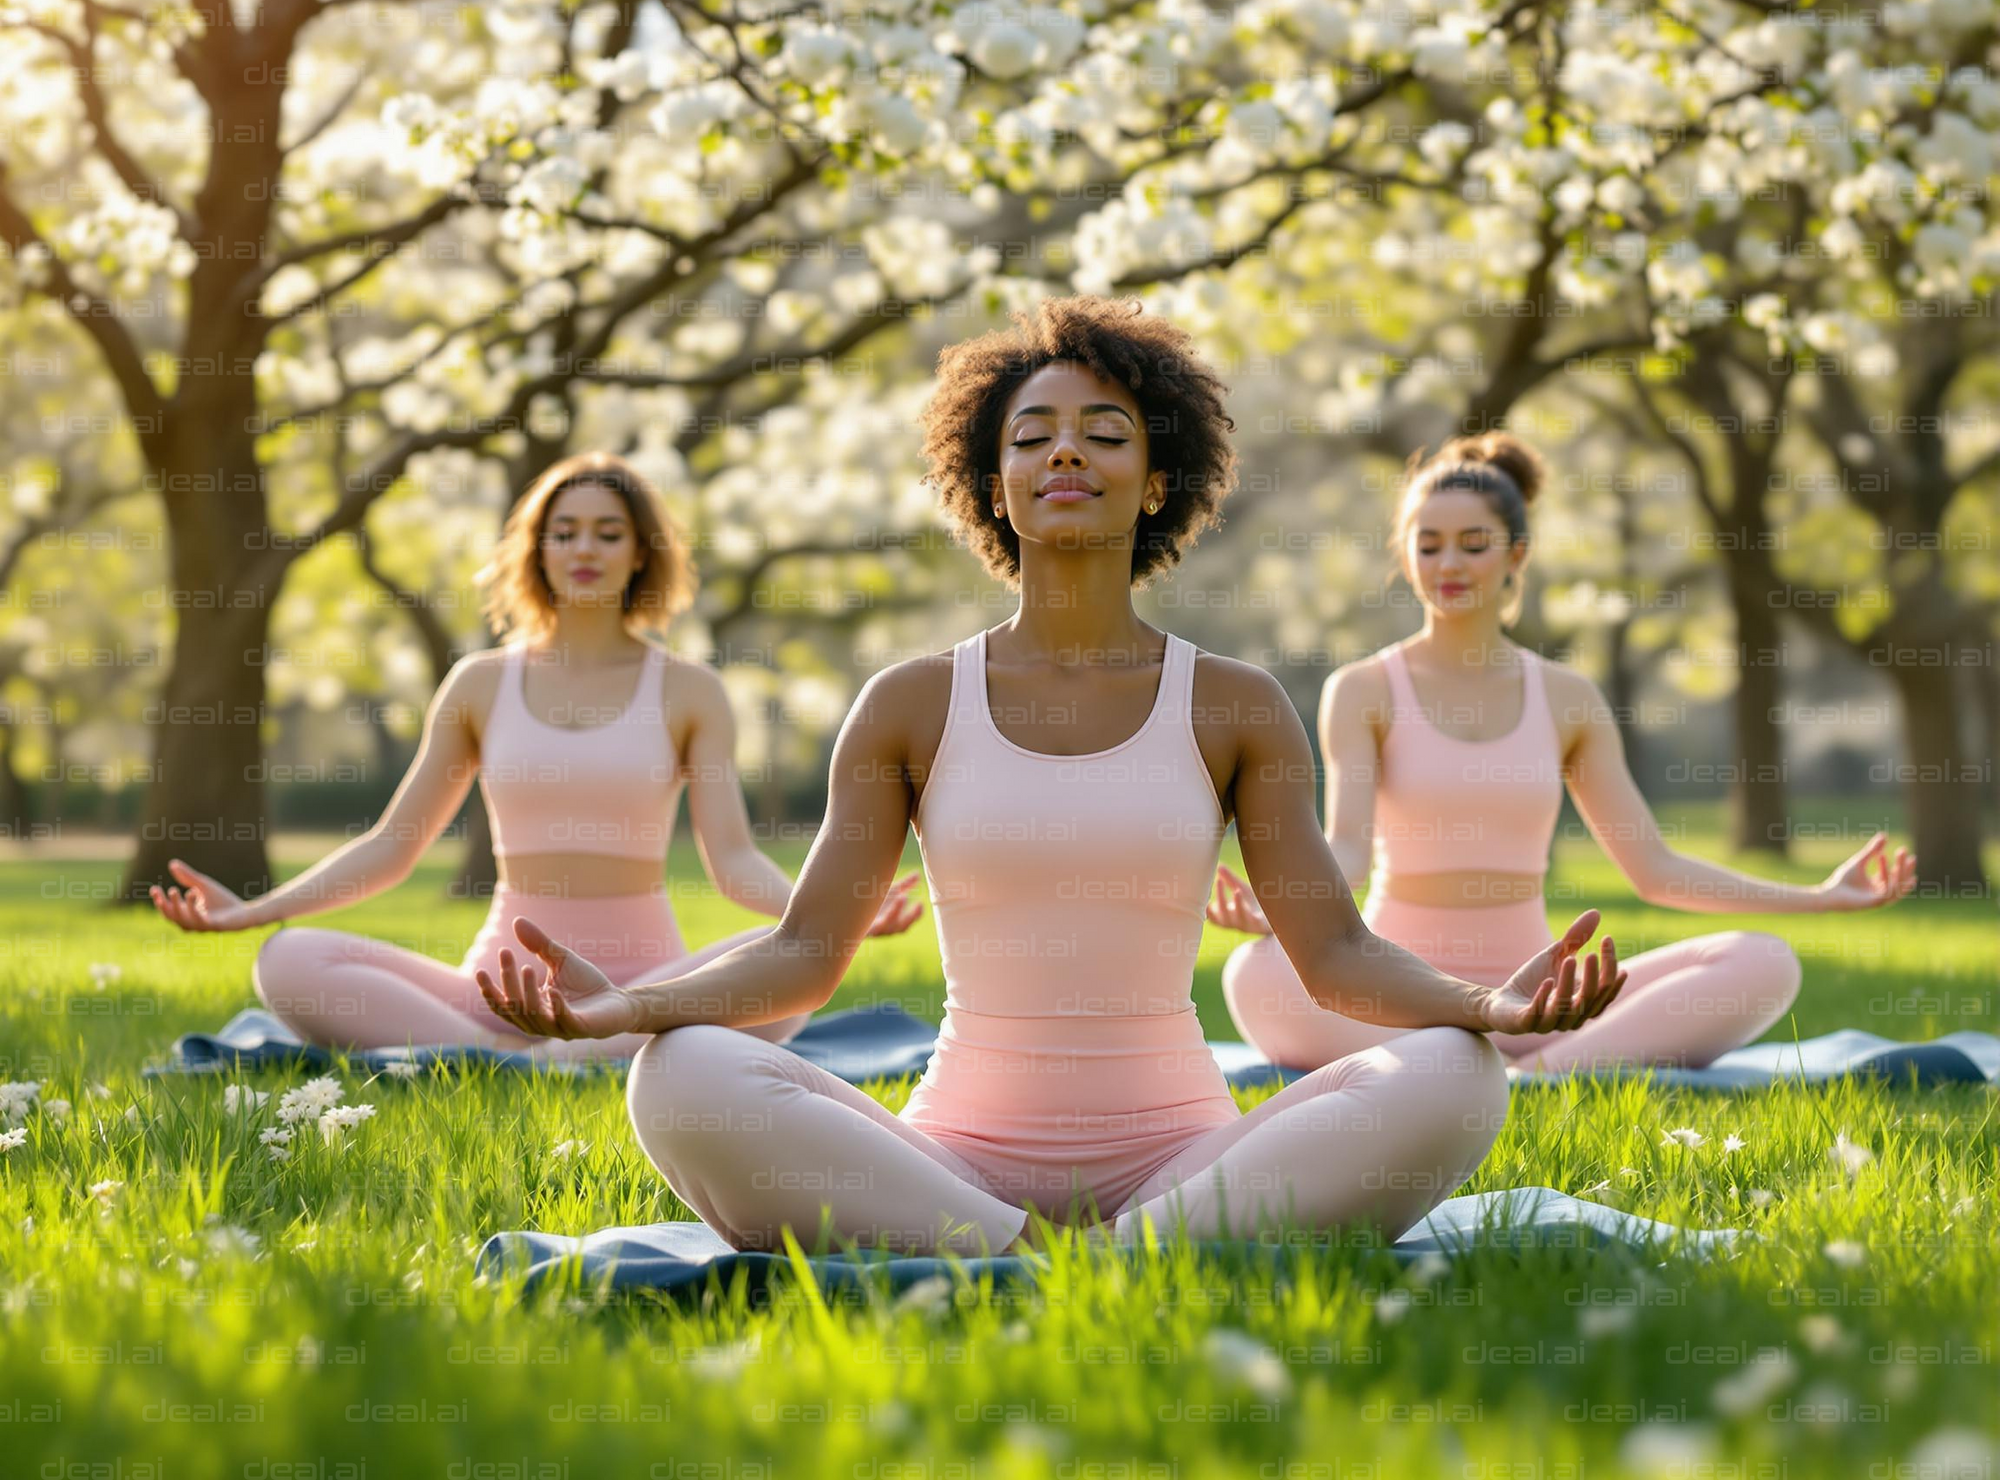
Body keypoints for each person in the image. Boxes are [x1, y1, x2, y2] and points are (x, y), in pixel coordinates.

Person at [475, 297, 1628, 1258]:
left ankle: (1119, 1258)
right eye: (1029, 438)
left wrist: (1487, 1008)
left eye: (1102, 432)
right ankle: (1022, 1255)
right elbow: (801, 955)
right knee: (680, 1077)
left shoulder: (1232, 702)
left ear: (1158, 482)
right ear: (992, 487)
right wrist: (625, 1011)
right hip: (949, 1165)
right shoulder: (910, 703)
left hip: (1186, 1159)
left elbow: (1333, 958)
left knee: (1456, 1075)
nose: (1062, 451)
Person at [149, 452, 924, 1062]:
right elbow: (393, 845)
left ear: (641, 554)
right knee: (287, 961)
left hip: (642, 990)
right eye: (565, 530)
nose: (584, 547)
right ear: (538, 550)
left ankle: (560, 1050)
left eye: (607, 531)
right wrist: (252, 912)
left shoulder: (691, 691)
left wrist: (832, 916)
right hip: (493, 991)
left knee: (793, 964)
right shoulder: (480, 684)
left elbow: (733, 861)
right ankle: (517, 1054)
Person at [1214, 432, 1917, 1077]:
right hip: (1404, 994)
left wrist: (1820, 897)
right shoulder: (1363, 688)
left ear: (1517, 552)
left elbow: (1656, 869)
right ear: (1406, 555)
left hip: (1546, 1000)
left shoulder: (1566, 698)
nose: (1448, 563)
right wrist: (1284, 903)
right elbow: (1348, 848)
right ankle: (1495, 1062)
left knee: (1763, 961)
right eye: (1428, 545)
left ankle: (1535, 1076)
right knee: (1255, 973)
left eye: (1473, 543)